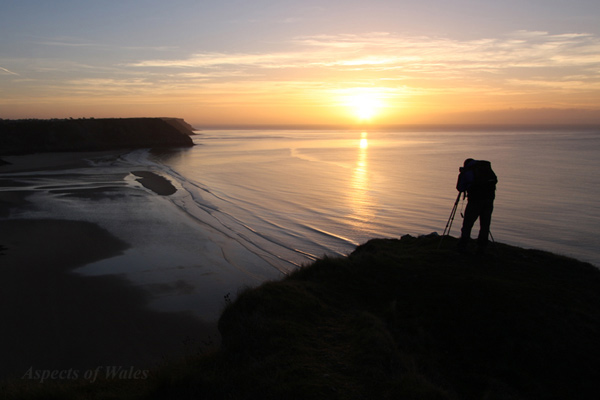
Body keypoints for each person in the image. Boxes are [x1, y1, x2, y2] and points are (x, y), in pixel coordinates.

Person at [456, 158, 497, 254]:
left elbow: (460, 188)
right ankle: (482, 247)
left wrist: (461, 175)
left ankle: (463, 245)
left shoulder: (468, 172)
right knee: (485, 225)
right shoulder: (486, 169)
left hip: (475, 201)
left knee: (468, 224)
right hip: (489, 200)